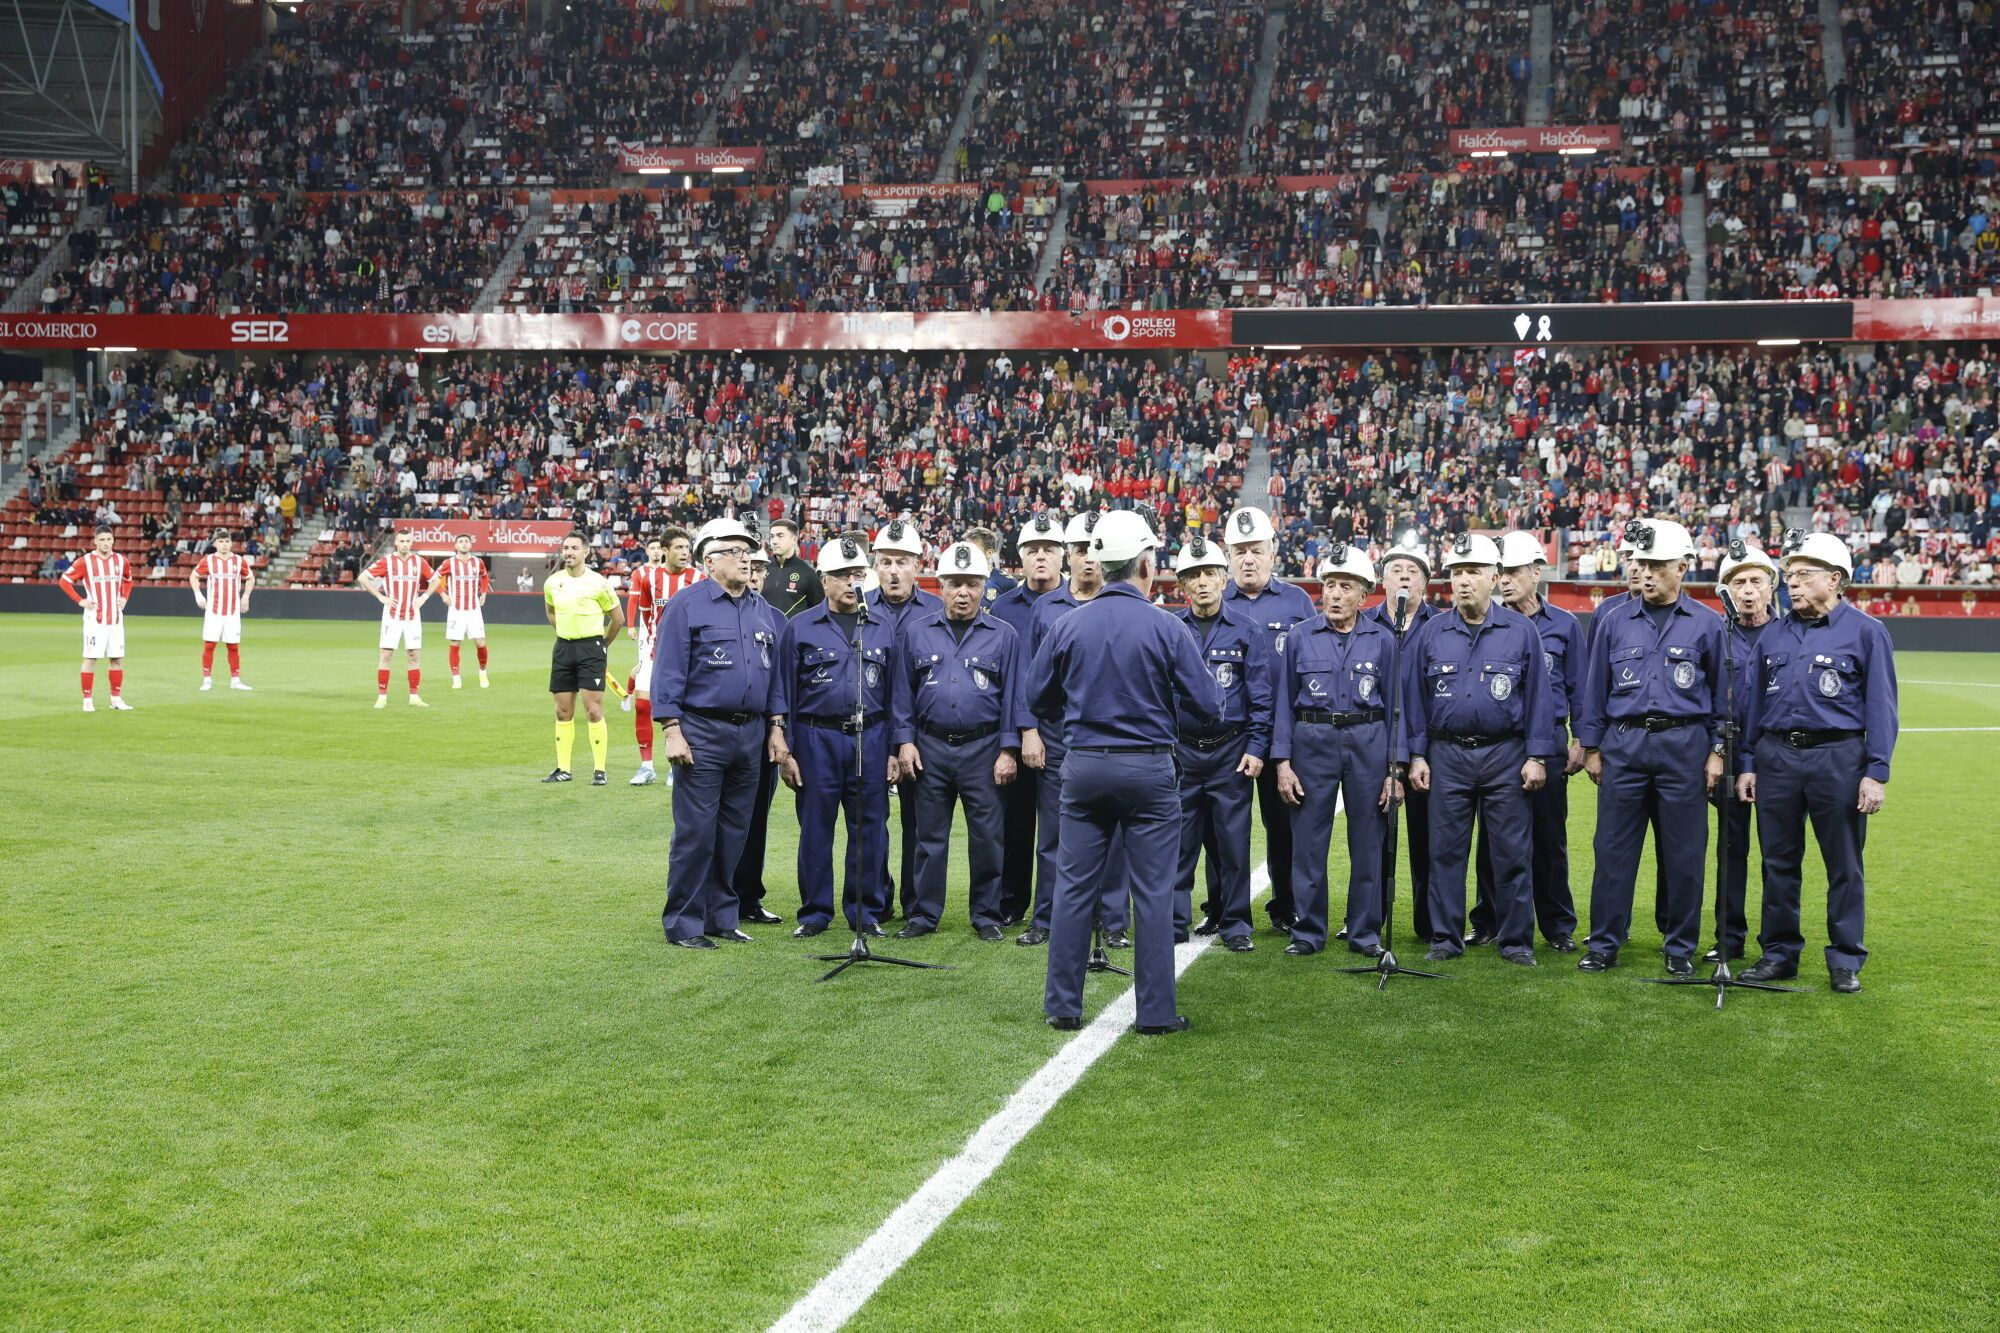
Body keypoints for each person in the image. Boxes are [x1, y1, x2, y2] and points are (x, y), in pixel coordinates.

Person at [1029, 511, 1222, 1034]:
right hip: (1149, 770)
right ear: (1144, 564)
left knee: (1072, 888)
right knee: (1155, 892)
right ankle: (1156, 1013)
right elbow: (1210, 705)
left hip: (1084, 765)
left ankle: (1063, 1005)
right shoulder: (1166, 626)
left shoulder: (1067, 623)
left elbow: (1035, 697)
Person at [1737, 531, 1897, 994]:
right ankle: (1779, 953)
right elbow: (1751, 708)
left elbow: (1881, 708)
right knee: (1778, 862)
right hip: (1776, 756)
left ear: (1836, 579)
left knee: (1843, 863)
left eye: (1804, 575)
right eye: (1789, 576)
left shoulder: (1867, 632)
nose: (1793, 584)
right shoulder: (1773, 634)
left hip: (1839, 757)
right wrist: (1748, 761)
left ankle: (1845, 958)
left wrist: (1876, 772)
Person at [1573, 518, 1726, 977]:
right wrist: (1594, 748)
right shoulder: (1613, 620)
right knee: (1613, 850)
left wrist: (1718, 750)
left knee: (1684, 853)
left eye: (1658, 565)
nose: (1648, 573)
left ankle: (1679, 947)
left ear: (1683, 567)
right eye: (1643, 564)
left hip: (1686, 746)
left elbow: (1724, 695)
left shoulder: (1708, 624)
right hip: (1625, 746)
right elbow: (1593, 692)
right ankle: (1604, 943)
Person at [1401, 533, 1556, 966]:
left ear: (1494, 577)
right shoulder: (1431, 632)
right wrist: (1416, 755)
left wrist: (1536, 756)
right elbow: (1415, 701)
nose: (1463, 581)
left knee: (1511, 852)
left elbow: (1540, 699)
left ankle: (1515, 941)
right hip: (1446, 755)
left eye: (1473, 572)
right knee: (1445, 853)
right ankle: (1445, 939)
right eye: (1457, 572)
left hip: (1505, 754)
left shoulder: (1522, 631)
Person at [654, 518, 779, 948]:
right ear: (709, 560)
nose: (746, 558)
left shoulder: (762, 609)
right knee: (695, 832)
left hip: (752, 734)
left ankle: (721, 916)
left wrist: (776, 727)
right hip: (702, 731)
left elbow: (775, 678)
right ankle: (685, 923)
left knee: (734, 832)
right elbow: (668, 670)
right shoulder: (685, 605)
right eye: (735, 551)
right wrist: (672, 729)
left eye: (748, 551)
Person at [771, 535, 902, 939]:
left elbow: (897, 693)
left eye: (857, 574)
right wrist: (784, 744)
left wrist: (897, 748)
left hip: (872, 736)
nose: (851, 582)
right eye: (842, 575)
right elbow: (784, 689)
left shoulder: (883, 626)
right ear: (823, 580)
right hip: (816, 739)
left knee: (870, 828)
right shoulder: (799, 627)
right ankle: (814, 912)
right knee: (815, 828)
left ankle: (864, 912)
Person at [1274, 542, 1401, 957]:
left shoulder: (1383, 640)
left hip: (1369, 742)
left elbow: (1397, 707)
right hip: (1313, 742)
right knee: (1309, 843)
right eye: (1329, 585)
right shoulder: (1298, 637)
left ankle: (1364, 932)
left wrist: (1393, 769)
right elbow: (1282, 704)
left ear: (1364, 595)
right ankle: (1309, 931)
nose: (1335, 594)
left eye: (1345, 586)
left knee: (1368, 842)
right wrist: (1283, 763)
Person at [893, 540, 1023, 940]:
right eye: (954, 584)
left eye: (971, 584)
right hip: (929, 747)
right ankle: (923, 915)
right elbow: (902, 694)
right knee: (928, 837)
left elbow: (1013, 697)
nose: (963, 593)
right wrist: (905, 742)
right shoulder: (915, 633)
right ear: (941, 586)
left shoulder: (1005, 635)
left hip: (983, 749)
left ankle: (986, 915)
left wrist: (1008, 749)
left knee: (987, 837)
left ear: (984, 587)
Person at [1017, 511, 1130, 947]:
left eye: (1094, 551)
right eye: (1080, 550)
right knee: (1053, 836)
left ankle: (1114, 922)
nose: (1087, 559)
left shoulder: (1120, 605)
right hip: (1058, 738)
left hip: (1110, 738)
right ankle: (1046, 919)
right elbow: (1029, 677)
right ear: (1069, 555)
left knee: (1115, 836)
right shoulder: (1046, 608)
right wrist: (1029, 730)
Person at [1470, 531, 1584, 950]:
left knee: (1549, 836)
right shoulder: (1486, 621)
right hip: (1501, 741)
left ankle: (1557, 925)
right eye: (1502, 573)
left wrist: (1582, 742)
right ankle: (1489, 920)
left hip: (1550, 739)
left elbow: (1579, 687)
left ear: (1537, 571)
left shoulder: (1566, 625)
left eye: (1515, 572)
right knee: (1492, 839)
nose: (1506, 580)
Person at [1168, 535, 1271, 952]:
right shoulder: (1170, 629)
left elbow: (1261, 696)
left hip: (1231, 750)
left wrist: (1257, 747)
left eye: (1210, 573)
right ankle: (1173, 923)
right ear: (1183, 585)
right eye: (1194, 576)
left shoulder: (1248, 630)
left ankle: (1235, 924)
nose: (1203, 582)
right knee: (1178, 843)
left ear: (1224, 579)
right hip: (1183, 751)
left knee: (1232, 843)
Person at [1221, 506, 1318, 933]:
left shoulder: (1298, 601)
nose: (1248, 559)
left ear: (1273, 552)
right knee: (1222, 829)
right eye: (1239, 550)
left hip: (1285, 737)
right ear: (1227, 556)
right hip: (1231, 737)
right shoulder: (1215, 598)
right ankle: (1221, 907)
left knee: (1285, 826)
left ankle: (1288, 906)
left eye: (1255, 550)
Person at [988, 511, 1066, 926]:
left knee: (1064, 825)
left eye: (1048, 549)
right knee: (1015, 822)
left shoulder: (1080, 601)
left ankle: (1059, 904)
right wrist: (1013, 736)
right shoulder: (1002, 607)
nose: (1040, 557)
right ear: (1020, 556)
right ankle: (1012, 901)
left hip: (1065, 729)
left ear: (1062, 555)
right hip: (1016, 729)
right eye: (1032, 549)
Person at [1705, 540, 1782, 963]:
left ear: (1772, 587)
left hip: (1776, 754)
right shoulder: (1715, 633)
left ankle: (1774, 943)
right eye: (1738, 581)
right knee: (1730, 849)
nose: (1748, 590)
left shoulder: (1790, 632)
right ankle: (1728, 938)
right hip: (1730, 751)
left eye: (1756, 580)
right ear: (1725, 589)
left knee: (1778, 852)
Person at [866, 517, 943, 920]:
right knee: (871, 821)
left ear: (918, 564)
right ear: (874, 565)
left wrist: (904, 742)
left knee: (918, 822)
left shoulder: (936, 610)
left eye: (902, 561)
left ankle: (916, 904)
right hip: (870, 729)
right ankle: (877, 902)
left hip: (919, 733)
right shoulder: (858, 607)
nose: (893, 570)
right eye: (886, 561)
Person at [1365, 532, 1439, 943]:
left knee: (1429, 839)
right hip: (1378, 748)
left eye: (1413, 571)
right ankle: (1368, 919)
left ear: (1425, 583)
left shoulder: (1442, 624)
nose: (1405, 577)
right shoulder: (1366, 624)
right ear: (1382, 581)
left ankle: (1429, 924)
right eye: (1397, 570)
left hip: (1429, 748)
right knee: (1374, 837)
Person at [731, 544, 789, 926]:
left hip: (764, 731)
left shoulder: (778, 620)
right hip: (723, 729)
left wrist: (778, 728)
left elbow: (781, 683)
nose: (753, 574)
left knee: (757, 819)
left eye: (760, 568)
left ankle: (748, 898)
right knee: (724, 819)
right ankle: (719, 896)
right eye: (748, 566)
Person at [540, 532, 623, 786]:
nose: (569, 552)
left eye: (575, 548)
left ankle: (600, 770)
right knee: (562, 710)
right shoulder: (552, 582)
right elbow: (551, 613)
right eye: (565, 547)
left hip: (591, 648)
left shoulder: (599, 583)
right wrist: (567, 633)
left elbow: (618, 620)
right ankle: (563, 769)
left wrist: (601, 646)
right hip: (563, 648)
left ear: (586, 552)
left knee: (593, 709)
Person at [625, 529, 704, 786]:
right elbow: (648, 616)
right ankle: (646, 766)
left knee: (685, 710)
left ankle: (677, 766)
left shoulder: (699, 578)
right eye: (679, 547)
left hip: (689, 654)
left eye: (687, 548)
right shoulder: (650, 578)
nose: (684, 553)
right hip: (656, 649)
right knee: (642, 705)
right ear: (665, 550)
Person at [58, 526, 133, 712]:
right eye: (102, 540)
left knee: (116, 659)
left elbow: (128, 580)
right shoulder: (85, 562)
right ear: (95, 541)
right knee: (91, 659)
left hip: (115, 618)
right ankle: (87, 701)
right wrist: (80, 600)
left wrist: (124, 597)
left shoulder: (121, 561)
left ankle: (116, 699)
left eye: (109, 539)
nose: (106, 543)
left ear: (113, 540)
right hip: (95, 619)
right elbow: (64, 581)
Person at [360, 529, 433, 708]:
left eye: (408, 541)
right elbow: (363, 577)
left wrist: (423, 597)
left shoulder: (419, 561)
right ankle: (382, 697)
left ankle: (414, 697)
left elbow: (436, 579)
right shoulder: (388, 561)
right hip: (392, 616)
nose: (405, 544)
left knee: (414, 654)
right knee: (386, 654)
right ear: (396, 543)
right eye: (401, 541)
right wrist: (380, 596)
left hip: (412, 616)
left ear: (411, 542)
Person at [190, 528, 253, 692]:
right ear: (215, 544)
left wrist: (245, 596)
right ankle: (207, 679)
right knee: (209, 645)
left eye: (227, 541)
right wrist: (198, 594)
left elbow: (250, 578)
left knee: (233, 646)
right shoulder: (208, 561)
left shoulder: (239, 561)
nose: (224, 545)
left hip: (232, 611)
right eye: (221, 542)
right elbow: (194, 576)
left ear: (231, 543)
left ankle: (235, 680)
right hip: (213, 611)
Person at [427, 533, 490, 691]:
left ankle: (482, 671)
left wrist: (483, 593)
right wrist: (443, 594)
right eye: (460, 542)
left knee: (480, 643)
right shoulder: (449, 563)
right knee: (455, 643)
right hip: (456, 610)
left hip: (474, 609)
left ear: (470, 545)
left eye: (466, 541)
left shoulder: (478, 562)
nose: (463, 544)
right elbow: (434, 578)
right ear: (456, 546)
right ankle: (456, 677)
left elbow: (484, 576)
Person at [760, 517, 824, 617]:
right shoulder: (762, 568)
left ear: (794, 539)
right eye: (772, 536)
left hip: (794, 632)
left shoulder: (808, 573)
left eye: (780, 536)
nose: (774, 541)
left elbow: (819, 612)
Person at [965, 525, 1017, 610]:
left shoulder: (1007, 583)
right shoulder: (959, 580)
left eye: (975, 549)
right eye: (967, 549)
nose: (969, 554)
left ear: (989, 553)